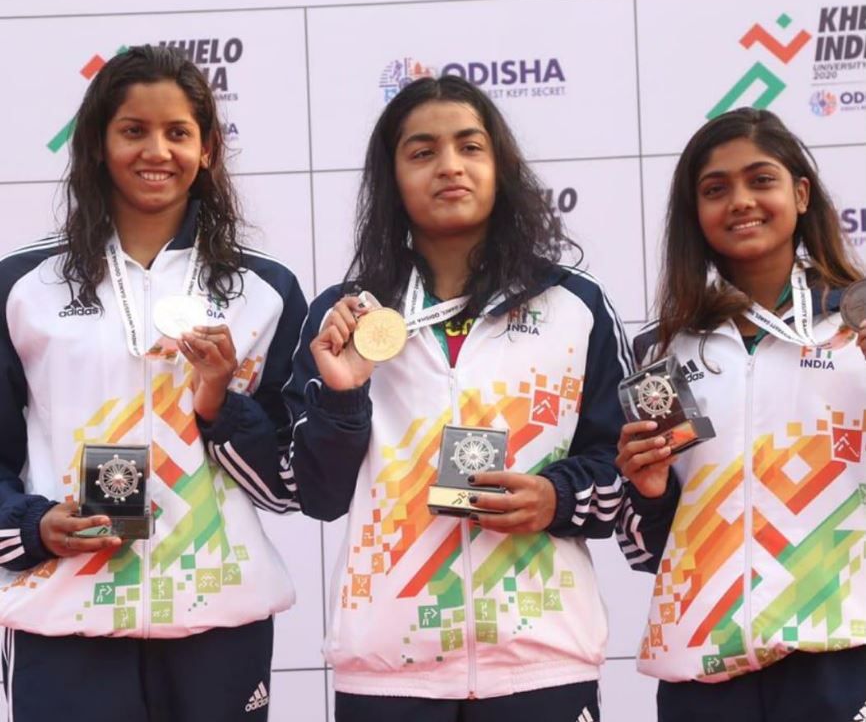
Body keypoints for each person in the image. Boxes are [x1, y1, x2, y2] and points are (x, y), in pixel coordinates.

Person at [256, 74, 630, 721]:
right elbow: (315, 493)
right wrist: (343, 398)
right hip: (386, 666)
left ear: (500, 165)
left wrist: (556, 496)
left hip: (540, 656)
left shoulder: (575, 304)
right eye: (422, 151)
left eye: (470, 146)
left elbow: (623, 465)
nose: (449, 165)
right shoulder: (347, 317)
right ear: (392, 178)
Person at [0, 45, 307, 721]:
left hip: (218, 616)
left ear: (207, 151)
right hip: (64, 618)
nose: (156, 150)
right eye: (133, 130)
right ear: (98, 144)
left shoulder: (267, 290)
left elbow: (293, 481)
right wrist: (30, 524)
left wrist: (222, 403)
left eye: (178, 132)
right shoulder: (21, 287)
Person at [615, 108, 866, 722]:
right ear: (693, 212)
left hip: (841, 647)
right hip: (701, 661)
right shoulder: (660, 351)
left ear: (800, 193)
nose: (741, 202)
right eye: (715, 189)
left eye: (761, 180)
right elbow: (647, 550)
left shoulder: (856, 327)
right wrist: (646, 491)